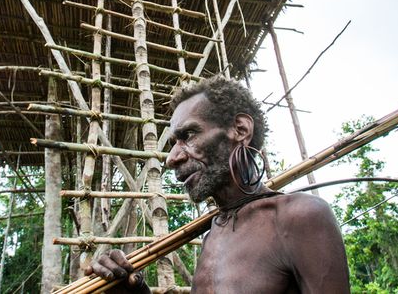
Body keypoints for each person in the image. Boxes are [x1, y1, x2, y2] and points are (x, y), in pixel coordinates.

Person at [85, 76, 350, 293]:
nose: (171, 159)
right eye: (173, 144)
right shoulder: (213, 232)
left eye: (188, 135)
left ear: (240, 129)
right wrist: (135, 291)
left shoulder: (299, 217)